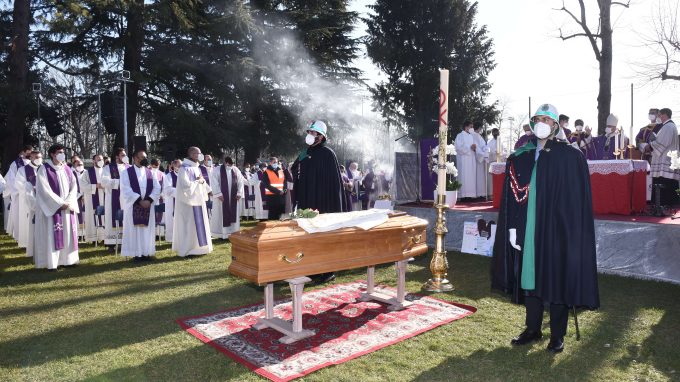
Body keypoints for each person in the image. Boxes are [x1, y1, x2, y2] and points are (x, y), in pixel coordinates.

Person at [492, 103, 599, 354]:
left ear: (555, 125)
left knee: (556, 278)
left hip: (556, 230)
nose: (542, 123)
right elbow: (512, 197)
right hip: (528, 229)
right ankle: (532, 329)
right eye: (537, 119)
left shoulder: (569, 157)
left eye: (547, 119)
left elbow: (576, 201)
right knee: (530, 278)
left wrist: (571, 231)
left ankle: (557, 335)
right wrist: (513, 228)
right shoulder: (521, 156)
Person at [291, 120, 348, 284]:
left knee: (324, 237)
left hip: (324, 203)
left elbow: (333, 184)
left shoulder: (328, 154)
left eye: (313, 132)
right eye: (308, 132)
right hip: (307, 200)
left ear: (321, 136)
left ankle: (328, 271)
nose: (309, 135)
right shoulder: (305, 152)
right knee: (309, 236)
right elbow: (293, 169)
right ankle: (312, 268)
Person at [34, 144, 80, 270]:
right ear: (52, 154)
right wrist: (60, 203)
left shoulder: (67, 168)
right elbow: (44, 190)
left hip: (67, 208)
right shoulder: (44, 169)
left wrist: (69, 202)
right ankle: (53, 263)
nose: (62, 154)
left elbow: (74, 187)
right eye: (59, 152)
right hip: (53, 209)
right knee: (53, 235)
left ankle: (68, 260)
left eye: (63, 152)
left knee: (68, 233)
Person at [120, 148, 161, 262]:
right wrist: (139, 200)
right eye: (142, 157)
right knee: (135, 230)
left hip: (148, 205)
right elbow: (125, 189)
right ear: (135, 158)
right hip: (134, 205)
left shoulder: (151, 172)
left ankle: (147, 252)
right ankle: (136, 254)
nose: (144, 159)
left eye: (145, 157)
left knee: (147, 230)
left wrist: (149, 200)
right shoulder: (126, 173)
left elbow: (157, 188)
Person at [173, 147, 213, 257]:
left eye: (200, 153)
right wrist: (197, 182)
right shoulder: (184, 168)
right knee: (190, 225)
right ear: (191, 154)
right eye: (198, 153)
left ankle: (200, 248)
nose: (200, 155)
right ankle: (189, 249)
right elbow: (185, 186)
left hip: (199, 201)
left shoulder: (196, 167)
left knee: (199, 224)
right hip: (188, 203)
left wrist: (209, 190)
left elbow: (202, 181)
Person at [648, 108, 680, 206]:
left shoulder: (668, 127)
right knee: (670, 182)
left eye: (660, 115)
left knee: (664, 181)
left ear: (665, 115)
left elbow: (662, 143)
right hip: (670, 158)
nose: (659, 117)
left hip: (664, 160)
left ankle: (662, 204)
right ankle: (670, 204)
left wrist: (652, 142)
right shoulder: (670, 126)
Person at [101, 148, 130, 247]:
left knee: (126, 217)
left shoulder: (129, 167)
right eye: (122, 155)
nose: (125, 157)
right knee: (111, 217)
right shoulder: (108, 168)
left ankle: (126, 241)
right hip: (113, 197)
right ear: (117, 156)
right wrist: (119, 182)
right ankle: (111, 243)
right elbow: (104, 181)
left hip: (126, 198)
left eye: (125, 155)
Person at [210, 156, 244, 239]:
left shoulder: (235, 170)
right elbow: (214, 182)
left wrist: (239, 192)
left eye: (231, 163)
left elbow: (240, 181)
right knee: (222, 213)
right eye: (228, 163)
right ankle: (222, 234)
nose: (230, 165)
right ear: (225, 162)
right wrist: (218, 193)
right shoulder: (217, 170)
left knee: (233, 213)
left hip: (233, 197)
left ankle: (233, 232)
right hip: (222, 197)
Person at [14, 150, 42, 251]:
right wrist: (30, 188)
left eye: (39, 157)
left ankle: (42, 242)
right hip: (28, 199)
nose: (38, 159)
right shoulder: (22, 170)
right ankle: (28, 243)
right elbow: (18, 184)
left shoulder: (44, 168)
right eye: (36, 157)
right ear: (30, 158)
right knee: (28, 221)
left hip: (43, 199)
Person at [4, 145, 32, 238]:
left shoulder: (34, 163)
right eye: (28, 152)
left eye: (31, 152)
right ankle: (20, 236)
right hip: (19, 193)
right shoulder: (15, 164)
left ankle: (30, 235)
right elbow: (11, 179)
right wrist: (19, 190)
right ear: (23, 152)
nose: (30, 154)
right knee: (20, 215)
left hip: (32, 194)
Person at [80, 154, 106, 243]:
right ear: (93, 161)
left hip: (104, 198)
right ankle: (93, 238)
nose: (100, 161)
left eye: (101, 159)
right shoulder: (87, 173)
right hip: (92, 200)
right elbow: (83, 185)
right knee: (92, 216)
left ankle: (104, 237)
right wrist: (96, 186)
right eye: (98, 160)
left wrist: (106, 186)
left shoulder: (106, 171)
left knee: (104, 217)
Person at [454, 121, 480, 199]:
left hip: (471, 159)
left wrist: (475, 148)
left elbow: (476, 146)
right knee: (464, 177)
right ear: (466, 127)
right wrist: (469, 148)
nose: (472, 128)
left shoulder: (471, 136)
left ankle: (470, 195)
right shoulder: (460, 135)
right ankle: (463, 196)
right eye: (471, 127)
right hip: (464, 160)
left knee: (471, 177)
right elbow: (458, 147)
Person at [162, 159, 181, 243]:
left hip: (182, 202)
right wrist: (181, 191)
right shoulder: (168, 176)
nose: (180, 167)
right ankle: (171, 239)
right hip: (172, 202)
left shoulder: (184, 175)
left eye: (181, 166)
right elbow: (168, 189)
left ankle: (182, 237)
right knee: (171, 220)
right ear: (174, 166)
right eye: (178, 166)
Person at [71, 156, 86, 238]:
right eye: (78, 164)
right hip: (76, 197)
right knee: (78, 215)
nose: (80, 166)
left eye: (81, 164)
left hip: (87, 196)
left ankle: (86, 233)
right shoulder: (71, 173)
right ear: (74, 166)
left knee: (86, 215)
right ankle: (79, 234)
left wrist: (84, 194)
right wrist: (79, 195)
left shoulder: (87, 172)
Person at [472, 123, 488, 199]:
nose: (481, 130)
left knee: (480, 177)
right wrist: (482, 154)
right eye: (481, 128)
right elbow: (476, 147)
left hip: (481, 158)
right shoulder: (474, 135)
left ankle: (480, 193)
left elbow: (484, 145)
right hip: (477, 158)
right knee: (478, 177)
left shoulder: (478, 136)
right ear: (478, 128)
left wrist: (486, 150)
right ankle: (478, 194)